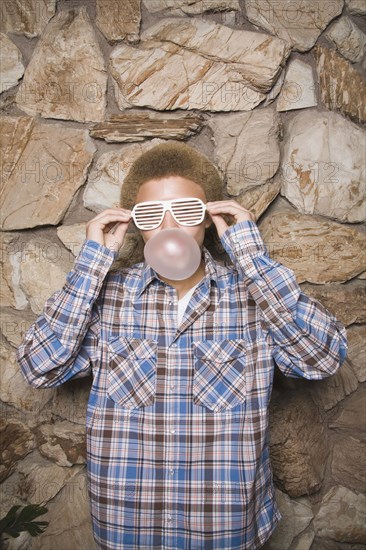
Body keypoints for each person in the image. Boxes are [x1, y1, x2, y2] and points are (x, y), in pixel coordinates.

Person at [17, 142, 348, 550]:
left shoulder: (255, 297)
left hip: (224, 527)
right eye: (151, 214)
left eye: (187, 211)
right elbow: (39, 367)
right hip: (128, 524)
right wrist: (90, 264)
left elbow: (322, 358)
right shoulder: (107, 299)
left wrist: (253, 258)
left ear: (209, 218)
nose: (170, 225)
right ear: (135, 225)